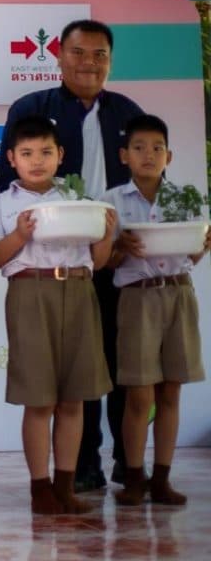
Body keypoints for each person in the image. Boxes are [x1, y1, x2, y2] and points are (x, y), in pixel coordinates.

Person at [0, 18, 143, 492]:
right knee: (57, 383)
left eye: (100, 55)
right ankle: (76, 471)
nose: (89, 63)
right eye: (79, 53)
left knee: (112, 365)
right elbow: (9, 188)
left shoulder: (126, 111)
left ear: (110, 61)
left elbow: (142, 173)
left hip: (114, 252)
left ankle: (123, 461)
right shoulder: (31, 107)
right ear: (58, 57)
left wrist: (116, 239)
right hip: (48, 262)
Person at [0, 116, 115, 514]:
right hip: (29, 291)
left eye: (45, 152)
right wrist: (20, 235)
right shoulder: (2, 205)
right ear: (11, 158)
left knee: (74, 398)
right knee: (38, 399)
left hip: (78, 291)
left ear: (60, 155)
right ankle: (40, 487)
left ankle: (66, 485)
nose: (36, 161)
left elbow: (98, 261)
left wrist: (106, 235)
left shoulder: (80, 201)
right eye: (26, 154)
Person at [102, 114, 207, 506]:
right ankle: (133, 475)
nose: (149, 155)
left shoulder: (187, 198)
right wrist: (119, 249)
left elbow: (192, 254)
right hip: (137, 297)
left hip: (179, 295)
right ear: (124, 155)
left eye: (157, 148)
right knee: (138, 395)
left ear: (170, 155)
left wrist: (205, 242)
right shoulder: (111, 201)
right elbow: (104, 262)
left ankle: (162, 477)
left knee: (171, 391)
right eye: (140, 147)